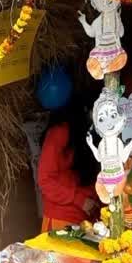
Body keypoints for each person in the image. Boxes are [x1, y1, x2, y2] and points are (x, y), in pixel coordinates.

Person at [38, 97, 99, 232]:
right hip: (61, 219)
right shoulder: (59, 133)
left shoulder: (91, 136)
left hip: (87, 221)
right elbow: (45, 180)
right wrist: (80, 200)